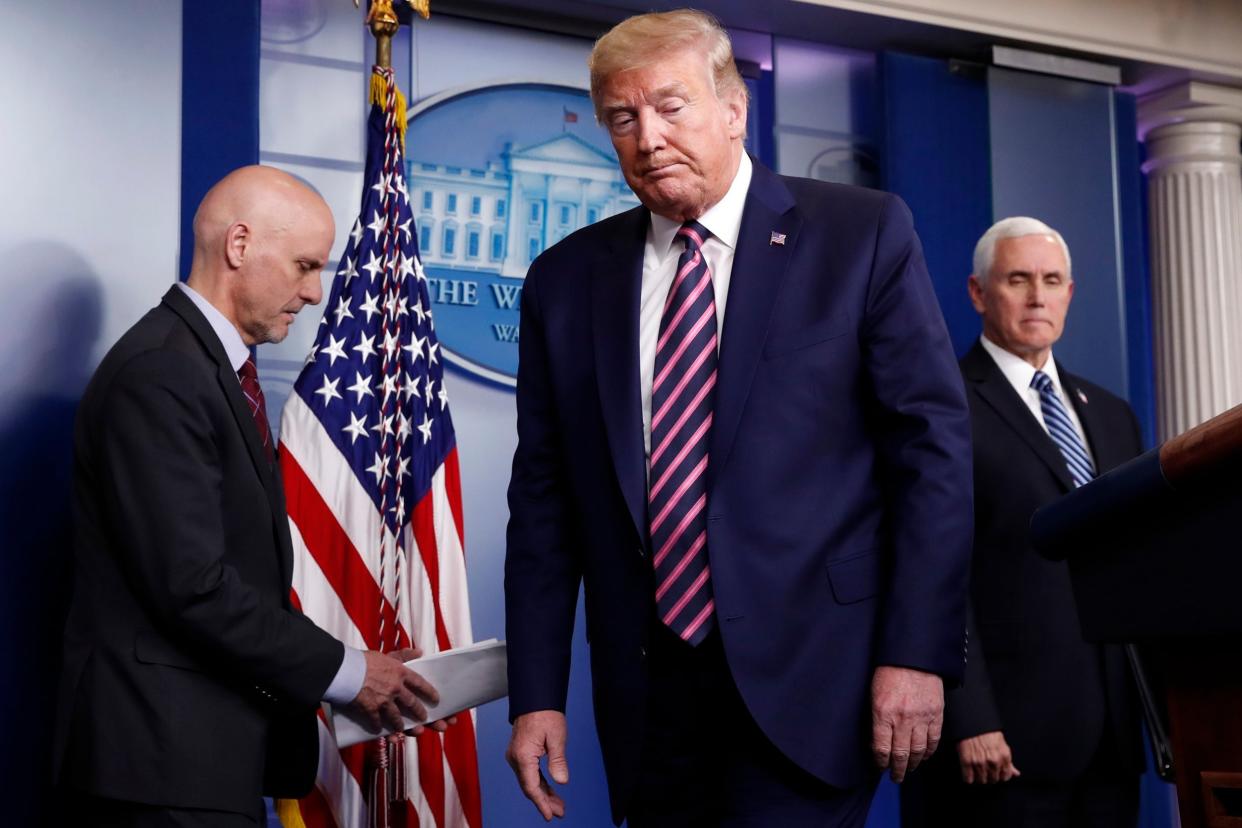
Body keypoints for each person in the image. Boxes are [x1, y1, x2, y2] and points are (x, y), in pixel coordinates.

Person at [502, 9, 972, 827]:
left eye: (671, 106)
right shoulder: (564, 279)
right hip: (649, 699)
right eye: (623, 117)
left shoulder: (860, 235)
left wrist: (915, 653)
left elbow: (931, 456)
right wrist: (535, 696)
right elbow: (544, 505)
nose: (647, 138)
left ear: (732, 110)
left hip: (816, 681)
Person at [53, 166, 446, 826]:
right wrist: (348, 672)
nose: (316, 293)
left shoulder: (204, 367)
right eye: (304, 265)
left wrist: (355, 669)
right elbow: (193, 586)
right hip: (158, 768)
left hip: (197, 762)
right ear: (239, 245)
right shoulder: (162, 373)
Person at [902, 217, 1144, 827]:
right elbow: (931, 570)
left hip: (1111, 739)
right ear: (979, 293)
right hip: (999, 739)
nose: (1038, 296)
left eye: (1052, 280)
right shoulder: (940, 403)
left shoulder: (1112, 414)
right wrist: (971, 715)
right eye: (1018, 279)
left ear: (1069, 292)